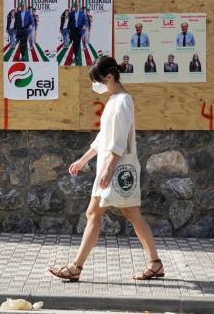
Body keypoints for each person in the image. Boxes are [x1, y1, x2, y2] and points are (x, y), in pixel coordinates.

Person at [48, 56, 164, 282]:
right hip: (109, 168)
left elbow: (119, 141)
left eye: (98, 81)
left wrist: (109, 170)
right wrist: (84, 160)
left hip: (116, 170)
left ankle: (77, 268)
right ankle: (154, 264)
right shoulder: (114, 101)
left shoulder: (122, 102)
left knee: (126, 214)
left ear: (109, 77)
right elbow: (104, 137)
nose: (96, 86)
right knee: (106, 213)